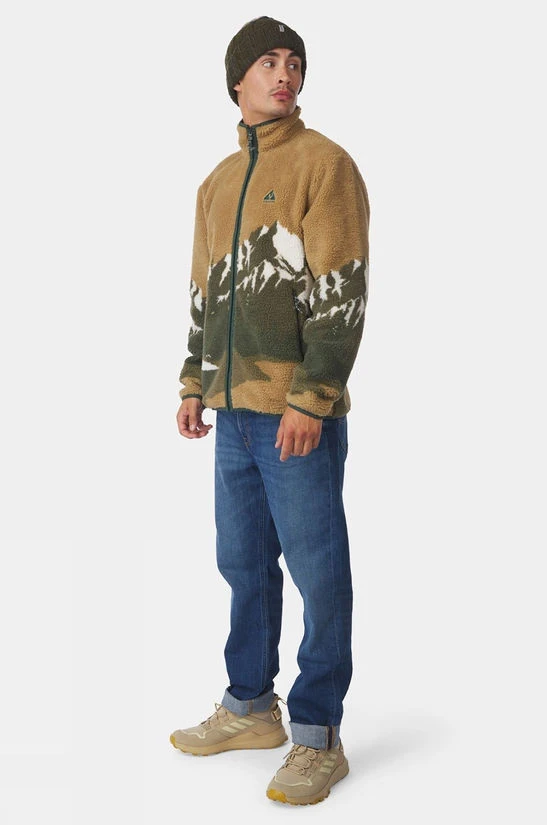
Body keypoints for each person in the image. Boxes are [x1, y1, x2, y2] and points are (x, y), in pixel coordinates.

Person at [170, 15, 370, 806]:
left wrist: (313, 396)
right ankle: (251, 704)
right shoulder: (217, 182)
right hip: (233, 414)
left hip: (295, 413)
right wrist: (195, 382)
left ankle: (317, 734)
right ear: (237, 81)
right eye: (268, 63)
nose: (285, 75)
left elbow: (341, 289)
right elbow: (205, 289)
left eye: (295, 63)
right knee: (243, 564)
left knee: (319, 572)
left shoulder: (326, 164)